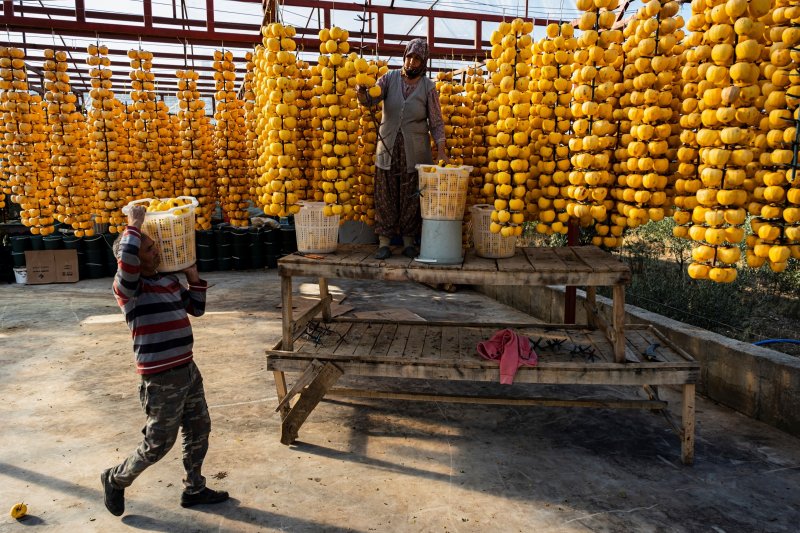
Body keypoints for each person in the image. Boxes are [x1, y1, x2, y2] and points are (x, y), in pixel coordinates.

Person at [101, 204, 228, 516]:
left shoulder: (167, 281)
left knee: (199, 429)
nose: (155, 250)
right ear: (129, 257)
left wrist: (192, 275)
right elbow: (128, 263)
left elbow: (196, 308)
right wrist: (135, 223)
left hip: (188, 369)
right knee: (159, 443)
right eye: (147, 247)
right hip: (161, 379)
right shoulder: (129, 289)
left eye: (154, 244)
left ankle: (194, 488)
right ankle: (116, 479)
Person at [358, 37, 449, 260]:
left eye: (417, 58)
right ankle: (384, 242)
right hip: (387, 147)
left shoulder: (429, 88)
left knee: (411, 195)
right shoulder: (389, 78)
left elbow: (436, 122)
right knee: (385, 193)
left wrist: (442, 150)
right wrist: (362, 92)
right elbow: (371, 99)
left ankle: (409, 241)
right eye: (409, 56)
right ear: (404, 57)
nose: (412, 62)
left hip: (415, 151)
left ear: (423, 61)